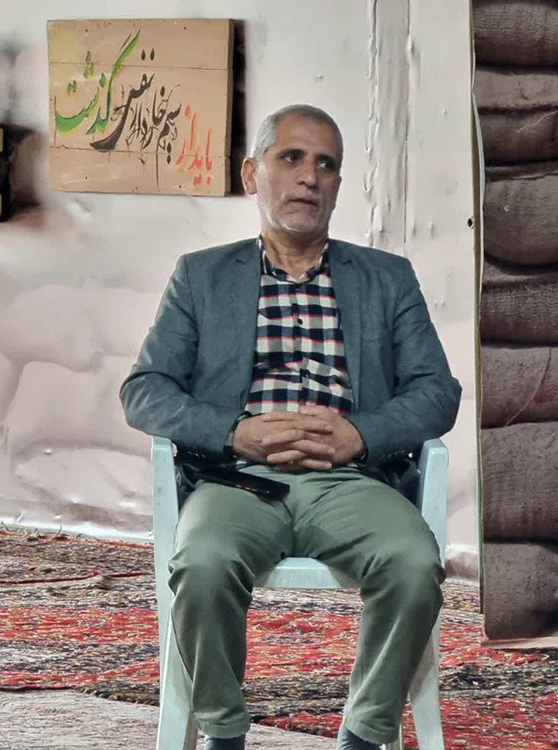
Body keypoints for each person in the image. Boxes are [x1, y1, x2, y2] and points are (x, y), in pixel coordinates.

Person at [120, 104, 461, 750]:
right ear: (253, 174)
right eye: (292, 158)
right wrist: (235, 432)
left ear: (338, 185)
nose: (310, 177)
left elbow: (437, 392)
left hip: (352, 481)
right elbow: (144, 391)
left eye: (326, 165)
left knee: (415, 563)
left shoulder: (387, 279)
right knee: (203, 563)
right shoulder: (202, 276)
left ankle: (365, 732)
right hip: (237, 481)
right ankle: (223, 730)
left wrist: (361, 434)